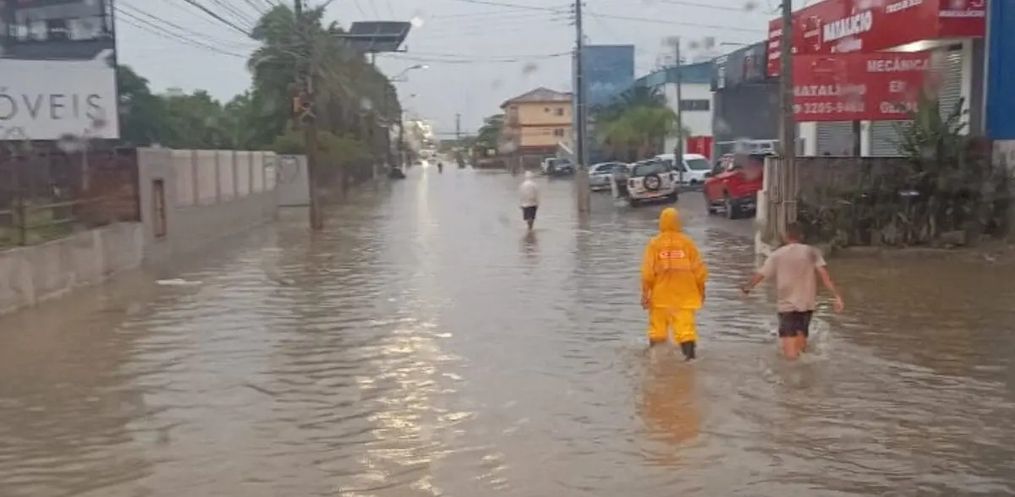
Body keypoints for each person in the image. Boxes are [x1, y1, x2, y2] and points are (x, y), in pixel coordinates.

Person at [741, 223, 845, 360]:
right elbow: (826, 277)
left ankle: (791, 373)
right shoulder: (812, 252)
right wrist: (837, 297)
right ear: (801, 236)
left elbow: (761, 275)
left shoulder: (777, 255)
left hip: (787, 307)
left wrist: (746, 288)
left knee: (790, 356)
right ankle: (805, 372)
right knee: (802, 351)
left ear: (785, 236)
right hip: (807, 305)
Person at [641, 208, 708, 360]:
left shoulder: (654, 244)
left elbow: (647, 273)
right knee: (686, 331)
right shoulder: (688, 243)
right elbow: (700, 271)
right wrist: (702, 291)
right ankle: (690, 361)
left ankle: (654, 362)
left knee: (657, 331)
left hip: (660, 297)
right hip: (685, 297)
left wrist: (645, 294)